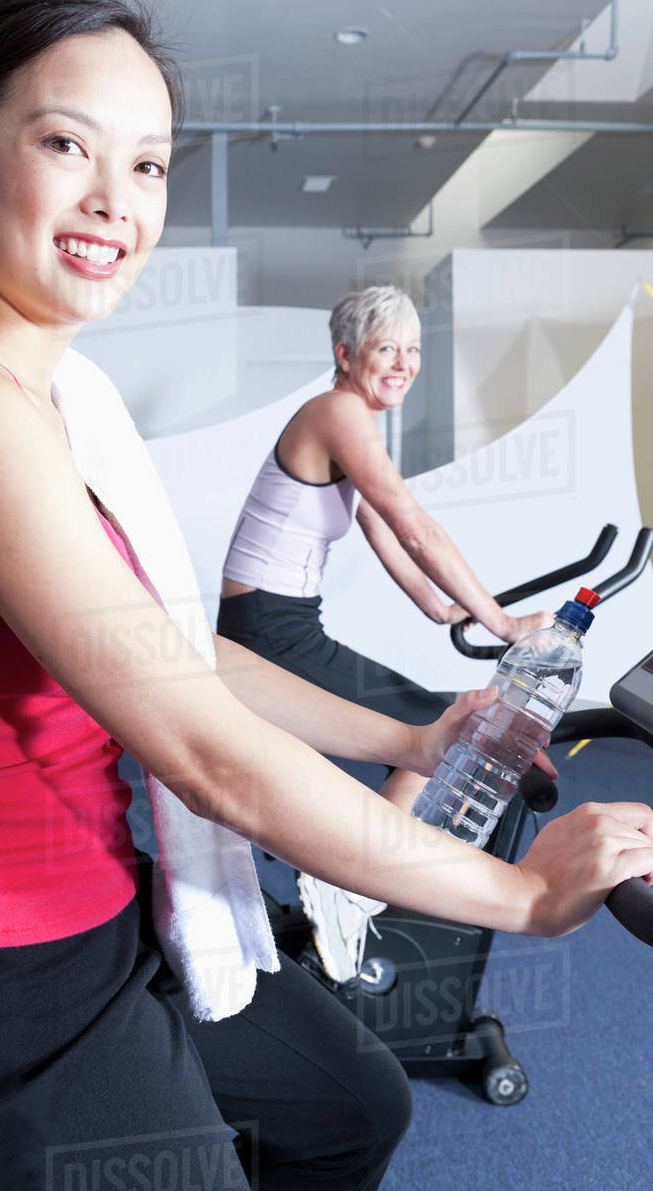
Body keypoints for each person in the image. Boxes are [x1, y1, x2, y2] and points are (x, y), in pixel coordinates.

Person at [0, 0, 651, 1190]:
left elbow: (170, 652)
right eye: (67, 144)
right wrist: (521, 896)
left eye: (149, 163)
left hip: (109, 922)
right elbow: (205, 751)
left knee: (350, 1107)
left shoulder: (61, 402)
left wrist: (412, 732)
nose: (116, 202)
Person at [217, 284, 559, 982]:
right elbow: (412, 522)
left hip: (274, 623)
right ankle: (352, 883)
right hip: (268, 634)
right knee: (438, 730)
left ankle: (354, 876)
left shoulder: (348, 419)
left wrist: (442, 609)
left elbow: (380, 531)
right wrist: (501, 622)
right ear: (346, 355)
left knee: (430, 724)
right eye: (386, 349)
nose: (403, 363)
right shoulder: (338, 411)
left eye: (413, 350)